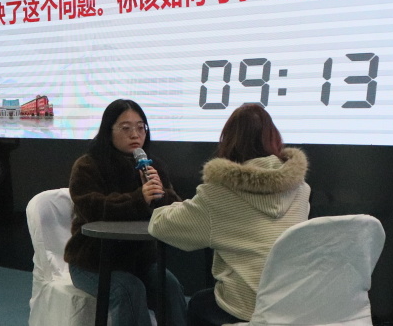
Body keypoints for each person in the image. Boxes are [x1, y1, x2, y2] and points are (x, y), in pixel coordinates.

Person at [149, 103, 311, 326]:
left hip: (247, 308)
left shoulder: (220, 192)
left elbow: (161, 225)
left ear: (229, 140)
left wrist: (167, 204)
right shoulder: (301, 189)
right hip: (294, 303)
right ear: (274, 138)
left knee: (198, 304)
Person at [64, 99, 188, 326]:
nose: (135, 135)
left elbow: (175, 211)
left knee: (170, 287)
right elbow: (92, 208)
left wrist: (162, 194)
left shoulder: (153, 166)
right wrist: (138, 199)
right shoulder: (87, 166)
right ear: (108, 131)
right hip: (94, 262)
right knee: (129, 290)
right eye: (126, 128)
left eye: (141, 128)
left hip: (140, 261)